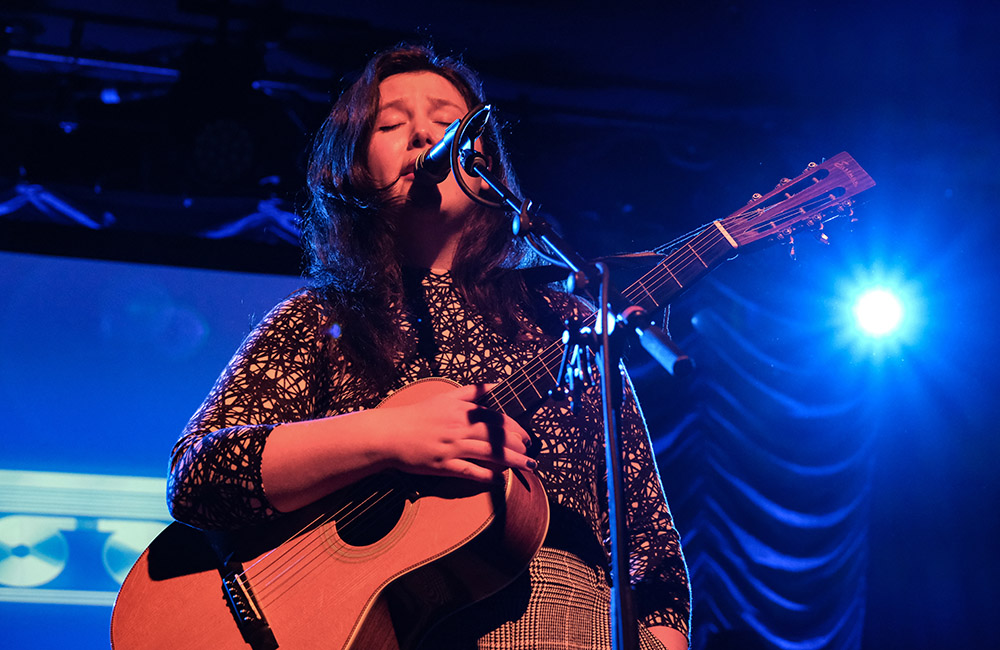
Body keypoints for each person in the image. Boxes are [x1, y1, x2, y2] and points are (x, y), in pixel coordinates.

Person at [167, 43, 691, 650]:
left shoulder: (565, 319)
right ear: (354, 167)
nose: (423, 135)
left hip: (575, 621)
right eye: (391, 124)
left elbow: (649, 544)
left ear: (485, 165)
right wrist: (393, 437)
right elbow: (201, 474)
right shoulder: (319, 320)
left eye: (448, 123)